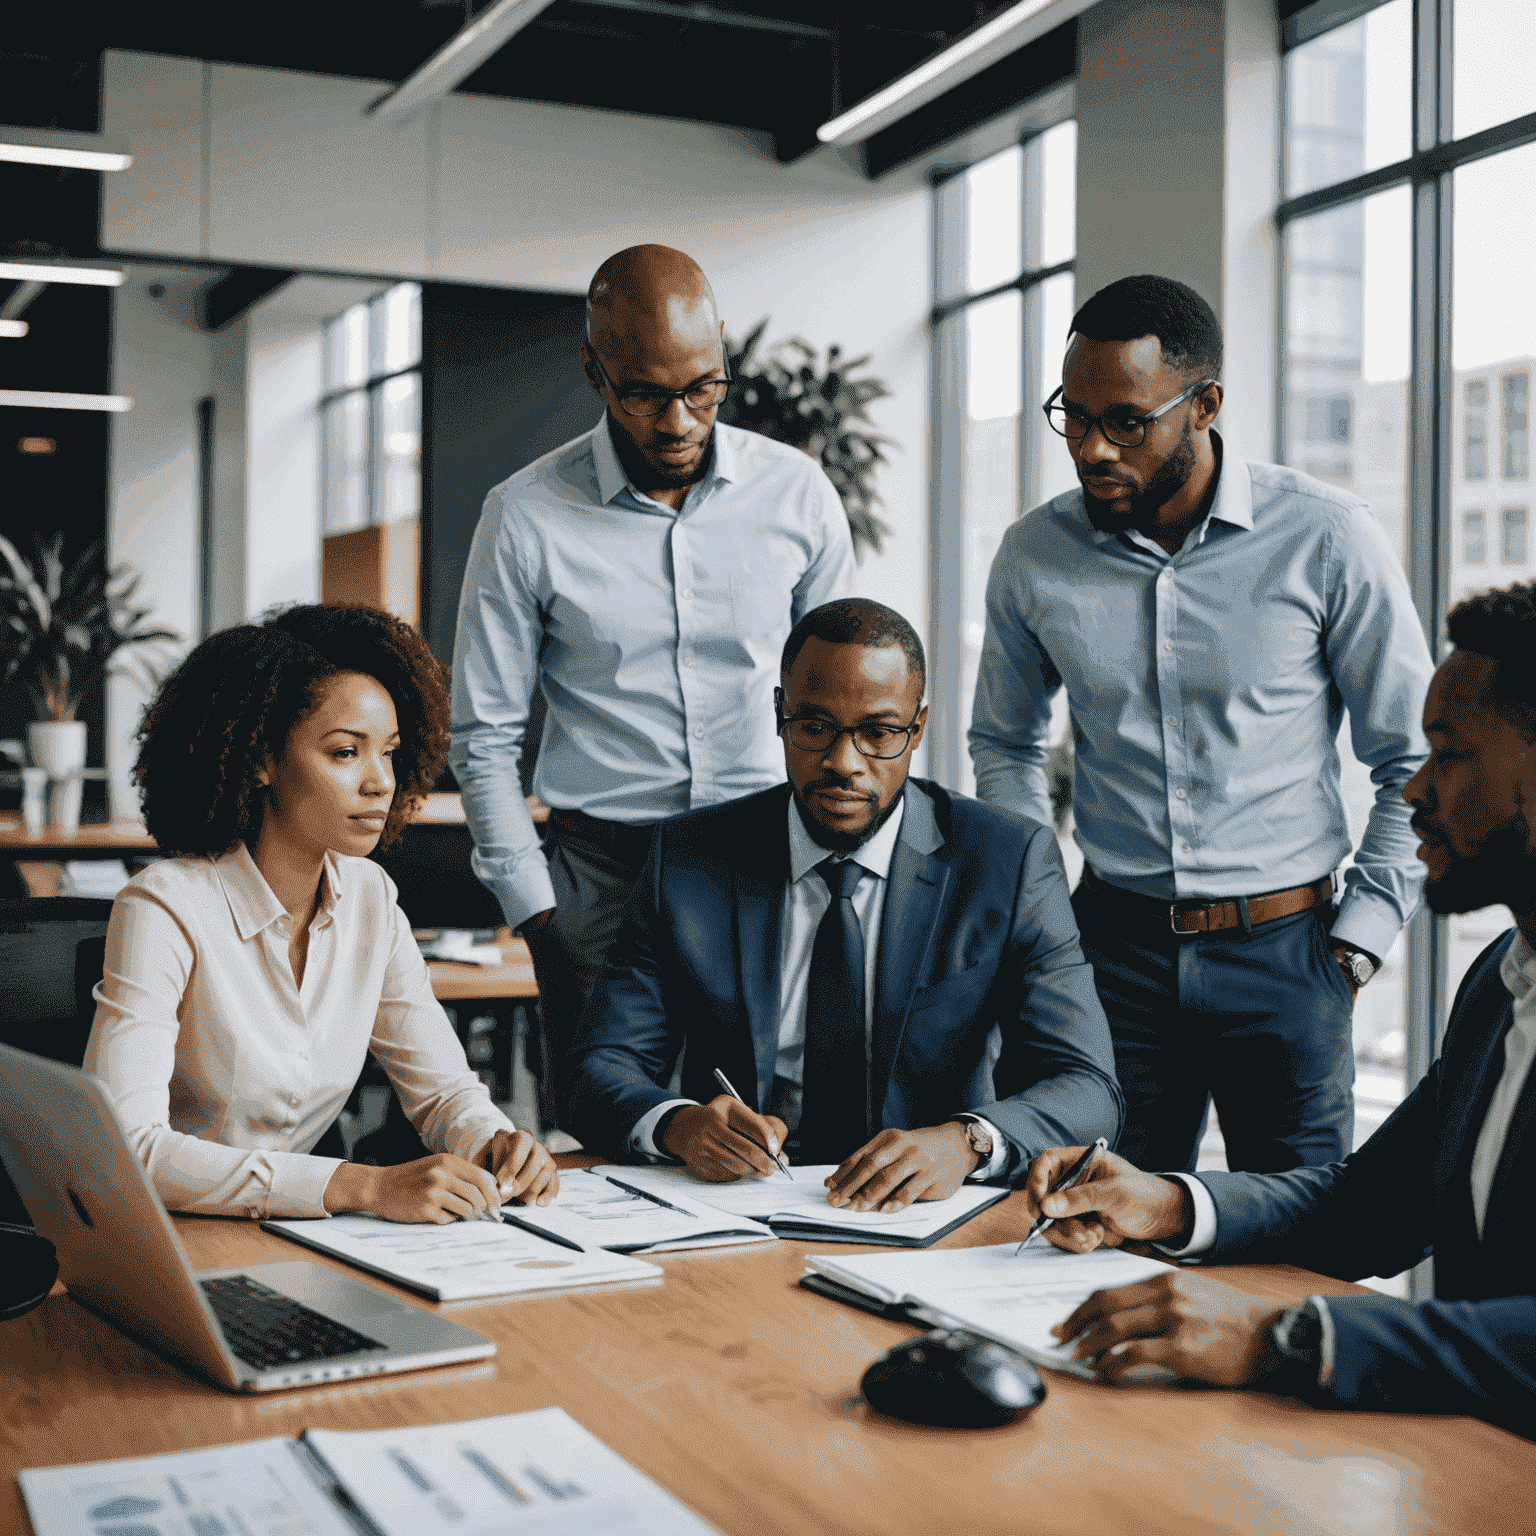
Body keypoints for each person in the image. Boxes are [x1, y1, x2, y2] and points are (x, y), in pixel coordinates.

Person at [1019, 582, 1536, 1437]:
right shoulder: (1500, 981)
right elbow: (1370, 1210)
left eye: (1449, 754)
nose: (1411, 795)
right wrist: (1167, 1203)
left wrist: (1287, 1335)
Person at [969, 273, 1433, 1174]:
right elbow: (1005, 743)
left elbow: (1408, 758)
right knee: (1081, 1218)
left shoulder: (1327, 537)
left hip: (1289, 957)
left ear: (1205, 405)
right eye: (1073, 415)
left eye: (1127, 421)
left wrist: (1359, 943)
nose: (1093, 448)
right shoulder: (1034, 554)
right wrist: (1044, 919)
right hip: (1111, 957)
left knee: (1295, 1238)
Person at [451, 244, 855, 1141]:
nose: (678, 420)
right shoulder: (524, 515)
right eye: (644, 394)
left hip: (764, 857)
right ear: (594, 371)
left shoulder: (797, 495)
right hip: (600, 876)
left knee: (763, 1132)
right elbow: (483, 736)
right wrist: (538, 909)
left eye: (702, 389)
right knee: (612, 1134)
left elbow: (842, 699)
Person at [563, 598, 1122, 1212]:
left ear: (918, 727)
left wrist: (967, 1143)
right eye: (814, 725)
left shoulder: (1005, 862)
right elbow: (599, 1068)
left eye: (879, 733)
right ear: (781, 716)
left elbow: (1087, 1087)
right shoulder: (688, 857)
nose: (842, 762)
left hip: (921, 1215)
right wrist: (678, 1125)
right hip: (734, 1205)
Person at [85, 604, 559, 1223]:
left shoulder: (370, 899)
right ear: (260, 759)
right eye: (344, 753)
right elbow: (129, 1148)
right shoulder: (165, 907)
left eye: (388, 753)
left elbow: (444, 1092)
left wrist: (495, 1143)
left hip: (293, 1236)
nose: (379, 782)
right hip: (165, 1238)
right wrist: (361, 1187)